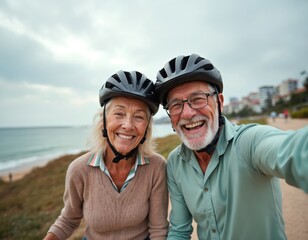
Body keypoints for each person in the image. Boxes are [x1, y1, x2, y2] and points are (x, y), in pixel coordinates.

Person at [154, 53, 308, 240]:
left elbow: (294, 151)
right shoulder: (175, 162)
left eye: (198, 98)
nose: (187, 113)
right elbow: (179, 230)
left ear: (219, 102)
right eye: (176, 105)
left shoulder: (249, 142)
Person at [44, 70, 169, 240]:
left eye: (138, 117)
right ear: (104, 121)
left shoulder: (156, 166)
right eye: (119, 114)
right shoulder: (79, 169)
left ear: (147, 128)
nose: (128, 125)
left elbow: (158, 230)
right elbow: (68, 220)